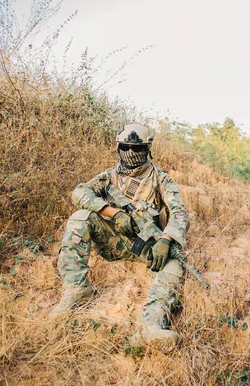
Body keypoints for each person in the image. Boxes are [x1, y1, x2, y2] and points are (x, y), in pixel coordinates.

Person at [50, 123, 189, 352]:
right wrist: (112, 213)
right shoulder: (109, 176)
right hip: (114, 240)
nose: (131, 153)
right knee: (80, 217)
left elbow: (179, 213)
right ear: (119, 147)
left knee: (175, 264)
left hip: (149, 246)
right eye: (126, 147)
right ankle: (77, 289)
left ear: (147, 149)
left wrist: (166, 240)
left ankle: (151, 326)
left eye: (138, 148)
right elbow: (79, 192)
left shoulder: (160, 178)